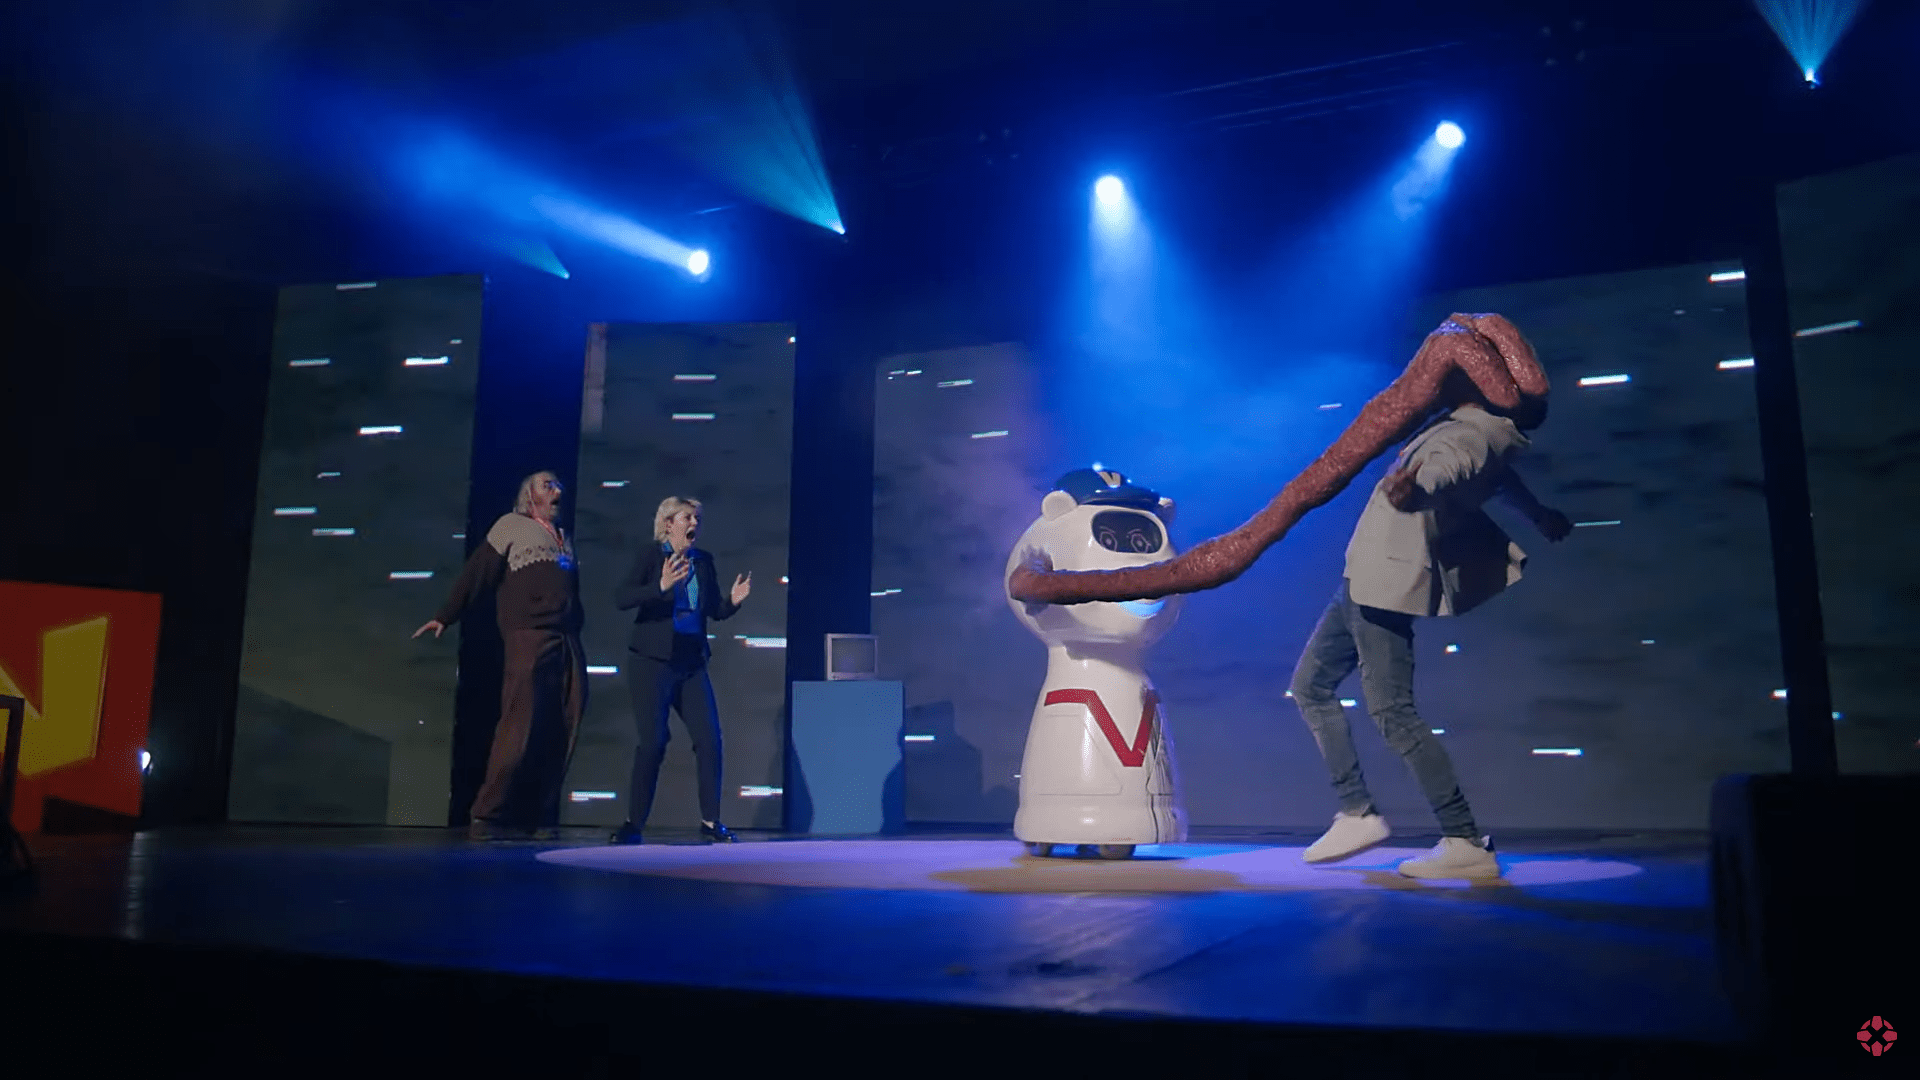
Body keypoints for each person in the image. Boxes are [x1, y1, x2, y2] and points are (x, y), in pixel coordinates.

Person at [1293, 373, 1572, 880]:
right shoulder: (1481, 432)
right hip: (1366, 576)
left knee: (1392, 712)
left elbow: (1449, 467)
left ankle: (1460, 839)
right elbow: (1500, 482)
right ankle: (1356, 810)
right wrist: (1538, 514)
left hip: (1383, 578)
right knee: (1311, 686)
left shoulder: (1469, 436)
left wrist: (1417, 488)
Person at [415, 471, 585, 841]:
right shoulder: (511, 525)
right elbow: (477, 572)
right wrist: (446, 614)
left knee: (561, 729)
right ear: (529, 495)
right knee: (519, 726)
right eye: (547, 485)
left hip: (567, 639)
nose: (556, 490)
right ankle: (486, 815)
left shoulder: (563, 536)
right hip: (529, 636)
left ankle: (534, 816)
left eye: (558, 485)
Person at [609, 496, 751, 844]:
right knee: (654, 742)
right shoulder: (650, 556)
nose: (694, 524)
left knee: (709, 739)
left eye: (697, 518)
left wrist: (732, 602)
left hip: (690, 663)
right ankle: (633, 824)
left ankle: (710, 822)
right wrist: (660, 586)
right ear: (668, 523)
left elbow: (713, 610)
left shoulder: (703, 562)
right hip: (651, 662)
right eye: (687, 517)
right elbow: (621, 598)